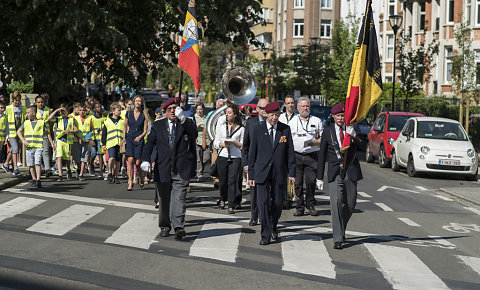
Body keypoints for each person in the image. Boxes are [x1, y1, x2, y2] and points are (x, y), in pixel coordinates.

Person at [140, 97, 197, 240]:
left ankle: (179, 227)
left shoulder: (185, 122)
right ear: (164, 111)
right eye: (169, 109)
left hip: (181, 166)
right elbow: (149, 144)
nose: (173, 111)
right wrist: (146, 159)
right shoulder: (158, 126)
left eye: (175, 108)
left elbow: (194, 134)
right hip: (163, 167)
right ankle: (165, 226)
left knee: (179, 198)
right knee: (164, 199)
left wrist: (183, 118)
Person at [248, 101, 295, 245]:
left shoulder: (285, 130)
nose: (274, 117)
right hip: (261, 171)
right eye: (272, 115)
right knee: (262, 203)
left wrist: (291, 173)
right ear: (266, 114)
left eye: (277, 114)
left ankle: (273, 224)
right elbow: (252, 152)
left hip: (279, 172)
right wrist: (251, 174)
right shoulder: (258, 129)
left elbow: (290, 152)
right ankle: (265, 234)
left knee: (278, 202)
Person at [316, 103, 363, 250]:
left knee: (350, 204)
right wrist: (319, 177)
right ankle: (337, 238)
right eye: (338, 116)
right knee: (336, 203)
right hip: (335, 172)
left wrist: (353, 136)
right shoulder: (328, 131)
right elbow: (322, 155)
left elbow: (362, 146)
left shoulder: (352, 129)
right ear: (333, 116)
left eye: (343, 115)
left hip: (350, 170)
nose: (341, 118)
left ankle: (341, 228)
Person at [288, 97, 323, 217]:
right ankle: (299, 207)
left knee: (311, 180)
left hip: (311, 156)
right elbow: (288, 140)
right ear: (298, 108)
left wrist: (316, 142)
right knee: (297, 183)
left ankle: (310, 204)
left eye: (307, 106)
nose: (305, 108)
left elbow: (322, 138)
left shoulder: (317, 121)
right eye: (303, 106)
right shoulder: (292, 122)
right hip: (296, 155)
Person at [242, 98, 268, 226]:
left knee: (268, 194)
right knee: (254, 192)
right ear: (257, 109)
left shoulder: (272, 122)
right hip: (255, 164)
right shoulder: (251, 123)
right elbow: (245, 146)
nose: (264, 111)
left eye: (266, 108)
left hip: (268, 164)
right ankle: (254, 216)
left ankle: (266, 217)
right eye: (262, 108)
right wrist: (246, 165)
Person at [214, 103, 244, 213]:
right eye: (226, 113)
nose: (227, 115)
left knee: (232, 180)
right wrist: (223, 144)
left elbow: (243, 144)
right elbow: (216, 142)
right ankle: (223, 198)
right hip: (223, 156)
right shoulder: (221, 127)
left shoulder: (241, 129)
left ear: (235, 115)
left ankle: (231, 204)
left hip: (236, 157)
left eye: (229, 113)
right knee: (223, 181)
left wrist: (234, 142)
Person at [17, 105, 54, 188]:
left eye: (28, 113)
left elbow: (47, 133)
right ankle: (33, 178)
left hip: (38, 146)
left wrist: (51, 143)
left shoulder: (41, 122)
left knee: (38, 162)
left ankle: (38, 179)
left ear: (34, 113)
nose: (27, 114)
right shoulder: (26, 123)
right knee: (31, 164)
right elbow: (19, 131)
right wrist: (23, 140)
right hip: (29, 147)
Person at [47, 104, 78, 181]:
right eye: (62, 111)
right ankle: (60, 174)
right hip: (59, 139)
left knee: (67, 158)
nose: (63, 112)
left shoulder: (71, 120)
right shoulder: (58, 119)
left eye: (64, 111)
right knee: (59, 156)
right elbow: (49, 118)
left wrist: (70, 131)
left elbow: (76, 130)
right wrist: (57, 110)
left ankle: (68, 170)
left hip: (67, 141)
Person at [123, 95, 147, 190]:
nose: (137, 103)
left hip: (139, 138)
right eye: (136, 101)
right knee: (130, 160)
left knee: (137, 163)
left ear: (142, 103)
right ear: (134, 102)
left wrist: (140, 137)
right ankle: (130, 181)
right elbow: (125, 126)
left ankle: (140, 176)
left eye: (139, 101)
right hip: (130, 138)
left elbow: (145, 130)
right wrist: (124, 138)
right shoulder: (128, 113)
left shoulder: (144, 114)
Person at [2, 91, 26, 176]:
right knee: (15, 149)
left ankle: (5, 164)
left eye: (18, 100)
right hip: (11, 133)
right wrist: (6, 135)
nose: (17, 102)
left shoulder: (23, 108)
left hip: (19, 132)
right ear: (12, 99)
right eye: (16, 100)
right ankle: (15, 168)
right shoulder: (8, 108)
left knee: (13, 149)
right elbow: (5, 121)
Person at [102, 102, 124, 184]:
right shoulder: (107, 121)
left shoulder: (122, 121)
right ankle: (109, 173)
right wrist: (103, 144)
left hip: (119, 143)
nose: (120, 112)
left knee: (118, 161)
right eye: (118, 110)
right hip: (110, 143)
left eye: (120, 110)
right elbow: (104, 134)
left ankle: (116, 176)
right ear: (113, 111)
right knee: (111, 158)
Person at [206, 98, 225, 188]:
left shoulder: (227, 113)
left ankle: (223, 178)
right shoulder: (211, 114)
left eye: (223, 105)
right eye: (220, 105)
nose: (221, 107)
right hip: (215, 140)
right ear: (216, 106)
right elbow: (208, 126)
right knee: (215, 159)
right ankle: (216, 179)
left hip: (226, 141)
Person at [34, 94, 53, 177]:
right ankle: (34, 168)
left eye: (41, 102)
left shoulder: (46, 110)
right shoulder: (34, 111)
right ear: (35, 103)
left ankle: (47, 169)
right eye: (38, 102)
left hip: (45, 133)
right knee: (36, 153)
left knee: (45, 152)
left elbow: (49, 122)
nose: (40, 104)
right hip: (36, 134)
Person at [72, 105, 91, 181]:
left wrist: (88, 137)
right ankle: (79, 168)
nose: (82, 112)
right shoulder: (75, 119)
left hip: (85, 141)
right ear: (78, 111)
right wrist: (78, 138)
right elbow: (74, 130)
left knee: (84, 157)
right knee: (77, 158)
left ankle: (81, 174)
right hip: (76, 140)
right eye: (80, 110)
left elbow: (91, 130)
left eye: (83, 110)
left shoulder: (89, 119)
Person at [87, 102, 105, 178]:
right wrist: (91, 139)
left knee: (100, 154)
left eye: (100, 107)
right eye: (97, 107)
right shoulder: (91, 118)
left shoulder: (104, 118)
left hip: (100, 139)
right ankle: (91, 166)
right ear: (94, 109)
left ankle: (101, 170)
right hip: (93, 139)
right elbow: (89, 130)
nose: (99, 108)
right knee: (93, 154)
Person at [194, 102, 210, 182]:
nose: (199, 111)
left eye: (200, 109)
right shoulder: (194, 117)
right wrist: (200, 124)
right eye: (198, 109)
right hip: (197, 139)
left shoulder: (206, 117)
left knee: (206, 158)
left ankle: (199, 170)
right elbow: (192, 127)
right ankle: (199, 174)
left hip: (206, 140)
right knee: (198, 159)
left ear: (203, 109)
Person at [0, 101, 8, 167]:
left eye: (3, 108)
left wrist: (6, 137)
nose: (2, 109)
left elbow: (7, 128)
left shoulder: (5, 117)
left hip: (2, 137)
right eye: (1, 107)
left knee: (0, 150)